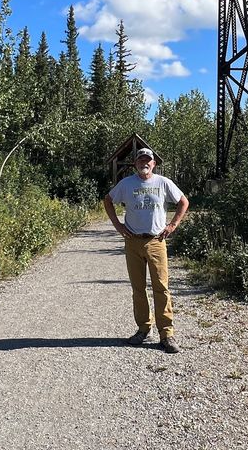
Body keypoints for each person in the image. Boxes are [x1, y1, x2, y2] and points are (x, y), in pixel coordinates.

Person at [102, 147, 189, 353]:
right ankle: (143, 329)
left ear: (154, 164)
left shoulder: (163, 183)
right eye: (141, 160)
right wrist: (118, 226)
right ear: (135, 164)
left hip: (156, 241)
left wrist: (172, 225)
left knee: (161, 288)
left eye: (148, 160)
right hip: (133, 241)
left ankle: (167, 334)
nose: (145, 163)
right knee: (138, 289)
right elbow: (108, 200)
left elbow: (183, 202)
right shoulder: (127, 184)